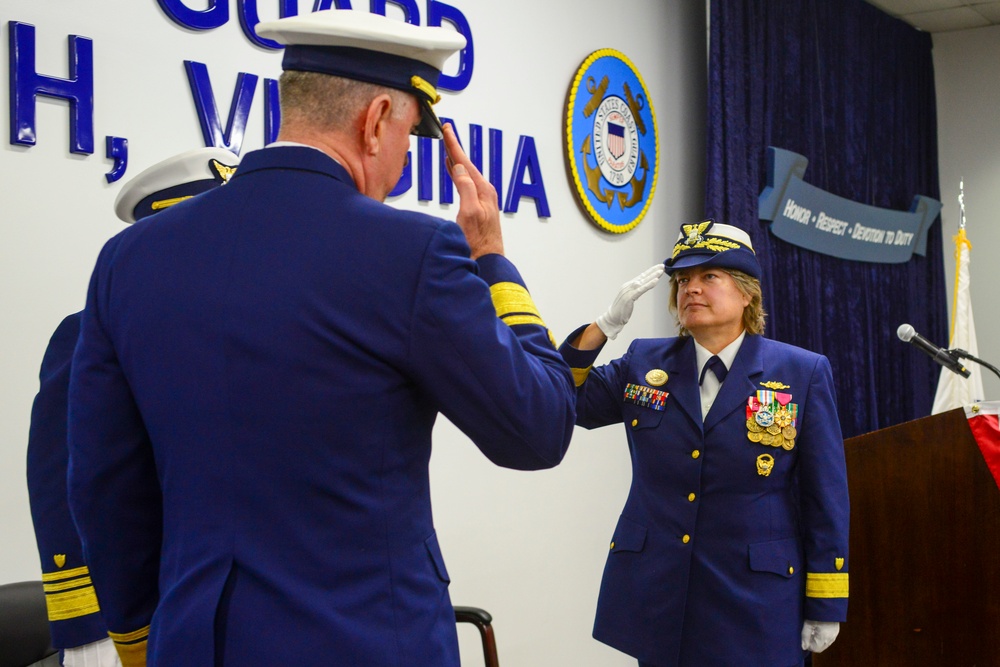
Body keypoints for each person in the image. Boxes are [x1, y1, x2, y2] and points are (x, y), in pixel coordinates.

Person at [66, 10, 576, 667]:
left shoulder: (127, 260)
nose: (399, 166)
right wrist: (493, 261)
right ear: (375, 120)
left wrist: (142, 639)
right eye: (409, 138)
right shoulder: (410, 251)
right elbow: (538, 426)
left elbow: (104, 486)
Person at [559, 220, 849, 666]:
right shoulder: (643, 362)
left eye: (708, 277)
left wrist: (826, 601)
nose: (691, 289)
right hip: (661, 596)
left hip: (754, 599)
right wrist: (604, 326)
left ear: (747, 292)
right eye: (681, 281)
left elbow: (824, 495)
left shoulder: (800, 372)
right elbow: (564, 400)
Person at [26, 146, 239, 667]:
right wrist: (94, 626)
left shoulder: (245, 330)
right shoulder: (89, 334)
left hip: (232, 611)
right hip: (128, 617)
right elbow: (65, 484)